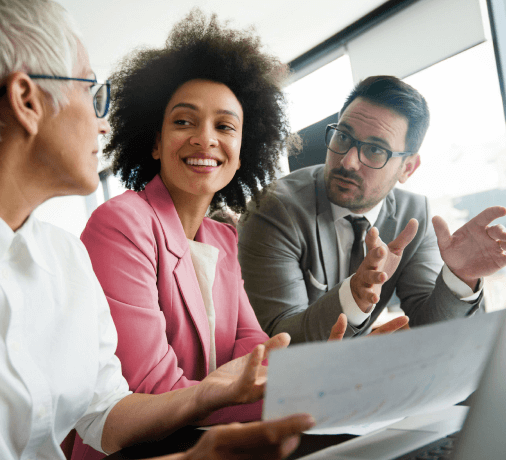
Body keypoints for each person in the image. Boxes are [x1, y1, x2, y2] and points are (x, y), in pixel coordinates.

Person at [0, 1, 315, 459]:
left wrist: (210, 402)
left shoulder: (63, 258)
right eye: (90, 90)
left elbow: (105, 414)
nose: (102, 123)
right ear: (26, 101)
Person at [73, 11, 336, 460]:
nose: (205, 139)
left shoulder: (222, 238)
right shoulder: (121, 223)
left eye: (225, 126)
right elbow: (154, 390)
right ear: (154, 143)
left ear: (242, 152)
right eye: (183, 122)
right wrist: (300, 388)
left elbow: (255, 349)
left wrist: (322, 374)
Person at [237, 75, 506, 343]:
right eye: (343, 137)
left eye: (375, 150)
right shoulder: (273, 208)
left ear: (407, 168)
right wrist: (354, 296)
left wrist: (460, 277)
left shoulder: (413, 217)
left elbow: (431, 328)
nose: (348, 161)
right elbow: (280, 336)